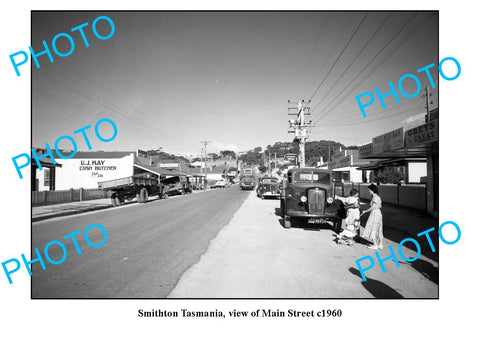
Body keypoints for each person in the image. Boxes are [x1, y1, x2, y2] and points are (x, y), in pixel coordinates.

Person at [361, 184, 384, 250]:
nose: (369, 191)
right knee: (379, 228)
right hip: (378, 213)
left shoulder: (375, 197)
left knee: (372, 227)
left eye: (369, 190)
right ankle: (381, 244)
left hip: (375, 213)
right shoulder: (377, 197)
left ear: (372, 190)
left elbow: (373, 207)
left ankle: (375, 244)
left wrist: (365, 211)